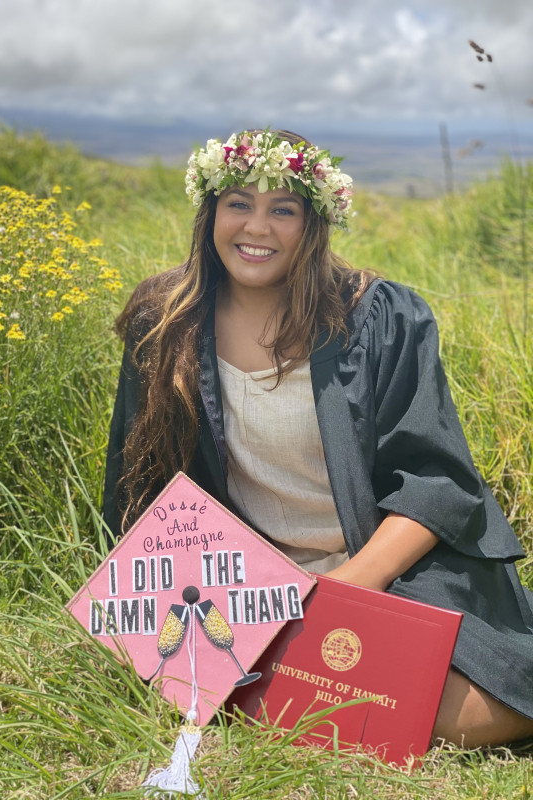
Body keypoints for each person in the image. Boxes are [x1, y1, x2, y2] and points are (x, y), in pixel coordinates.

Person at [102, 129, 533, 749]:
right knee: (165, 660)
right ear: (210, 213)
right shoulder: (164, 320)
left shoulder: (380, 318)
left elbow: (437, 480)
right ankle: (303, 695)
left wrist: (356, 585)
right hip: (244, 579)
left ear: (316, 223)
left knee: (488, 706)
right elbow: (137, 483)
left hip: (382, 560)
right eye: (239, 204)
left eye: (284, 209)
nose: (258, 227)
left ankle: (277, 698)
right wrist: (144, 603)